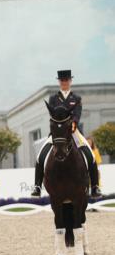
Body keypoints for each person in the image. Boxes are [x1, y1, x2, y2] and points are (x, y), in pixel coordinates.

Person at [31, 70, 101, 198]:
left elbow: (77, 113)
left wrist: (74, 122)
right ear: (59, 82)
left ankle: (95, 186)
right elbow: (52, 115)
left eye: (66, 80)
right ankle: (37, 186)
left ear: (70, 81)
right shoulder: (53, 98)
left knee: (90, 155)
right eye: (62, 81)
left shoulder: (76, 98)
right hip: (58, 133)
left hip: (73, 131)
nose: (64, 83)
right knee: (41, 155)